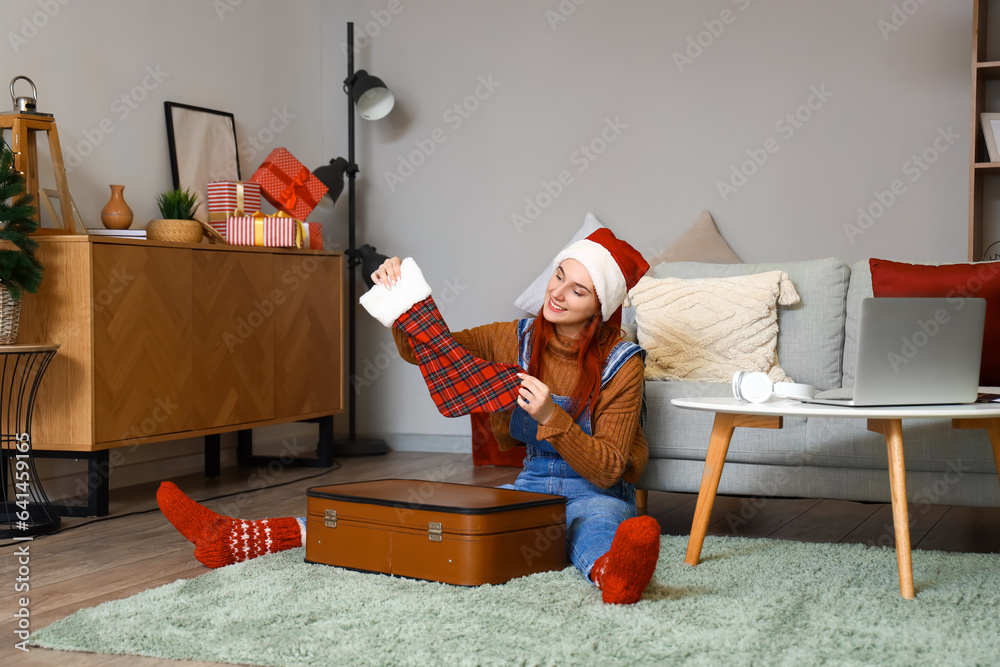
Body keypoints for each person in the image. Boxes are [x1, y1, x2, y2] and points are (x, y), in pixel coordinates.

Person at [158, 227, 660, 604]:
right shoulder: (517, 338)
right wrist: (404, 303)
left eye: (578, 290)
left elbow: (610, 467)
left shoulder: (622, 365)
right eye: (559, 275)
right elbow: (433, 352)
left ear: (601, 307)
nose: (557, 293)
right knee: (425, 520)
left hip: (594, 492)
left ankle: (616, 574)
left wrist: (556, 418)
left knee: (591, 527)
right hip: (529, 489)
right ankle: (246, 537)